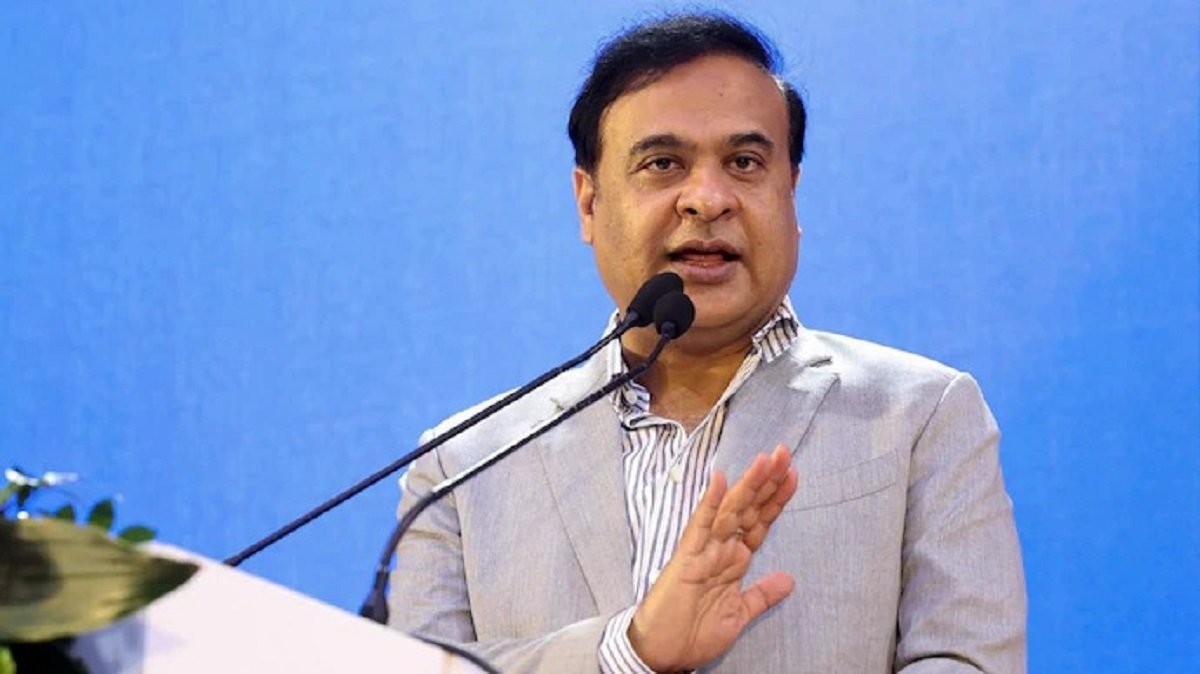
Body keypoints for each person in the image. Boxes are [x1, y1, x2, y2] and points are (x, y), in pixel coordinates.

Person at [389, 12, 1026, 673]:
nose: (708, 199)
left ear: (790, 192)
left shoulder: (921, 417)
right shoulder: (462, 466)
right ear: (588, 202)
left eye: (744, 163)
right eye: (663, 164)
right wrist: (630, 652)